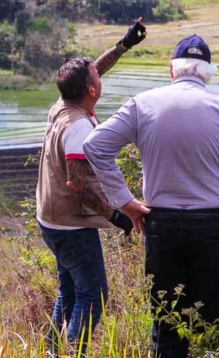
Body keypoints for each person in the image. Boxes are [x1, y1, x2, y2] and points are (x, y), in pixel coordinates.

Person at [83, 35, 219, 358]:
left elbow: (95, 146)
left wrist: (125, 202)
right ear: (208, 73)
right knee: (215, 324)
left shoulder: (144, 103)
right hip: (213, 229)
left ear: (171, 70)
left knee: (167, 324)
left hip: (161, 226)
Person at [36, 18, 148, 351]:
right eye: (97, 77)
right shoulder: (79, 130)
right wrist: (118, 217)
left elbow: (93, 71)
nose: (100, 74)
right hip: (70, 226)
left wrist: (123, 45)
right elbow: (78, 184)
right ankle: (72, 350)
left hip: (51, 220)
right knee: (93, 294)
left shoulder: (64, 104)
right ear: (92, 91)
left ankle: (54, 350)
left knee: (70, 291)